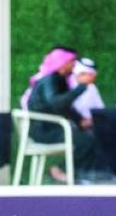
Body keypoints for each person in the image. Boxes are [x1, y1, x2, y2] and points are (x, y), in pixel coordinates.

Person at [24, 46, 106, 183]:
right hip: (44, 130)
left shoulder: (59, 80)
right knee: (87, 141)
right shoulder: (50, 80)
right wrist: (82, 86)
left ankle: (83, 175)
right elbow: (57, 103)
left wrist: (80, 121)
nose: (74, 65)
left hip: (53, 127)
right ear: (63, 63)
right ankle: (61, 170)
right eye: (72, 62)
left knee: (93, 135)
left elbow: (64, 107)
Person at [70, 57, 105, 126]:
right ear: (81, 74)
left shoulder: (91, 87)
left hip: (94, 122)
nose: (93, 78)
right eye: (91, 75)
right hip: (75, 125)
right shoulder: (68, 85)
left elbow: (100, 108)